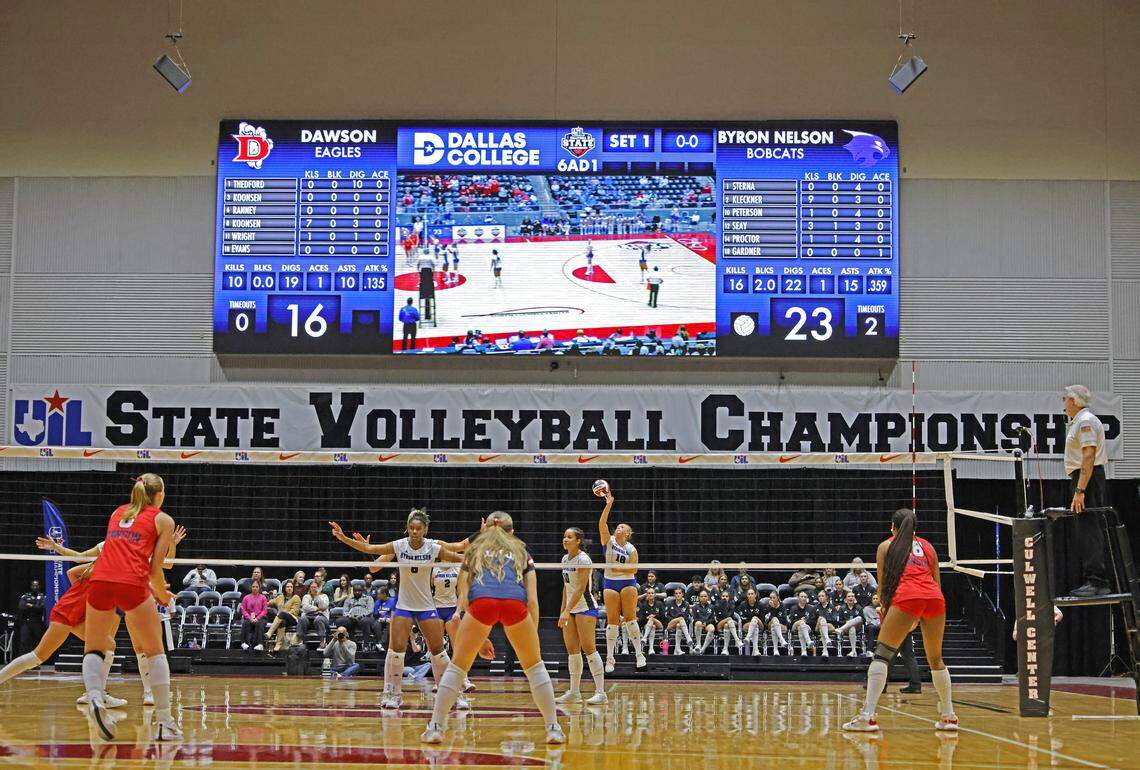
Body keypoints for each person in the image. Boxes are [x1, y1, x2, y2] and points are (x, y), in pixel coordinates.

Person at [421, 511, 564, 745]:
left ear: (485, 529)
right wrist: (531, 632)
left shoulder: (474, 550)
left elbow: (464, 594)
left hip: (481, 604)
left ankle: (436, 727)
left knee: (457, 667)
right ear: (512, 531)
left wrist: (478, 632)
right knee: (535, 666)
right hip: (514, 603)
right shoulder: (522, 552)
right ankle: (553, 729)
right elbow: (533, 600)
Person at [5, 526, 186, 707]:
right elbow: (80, 561)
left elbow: (153, 571)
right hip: (67, 612)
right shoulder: (108, 563)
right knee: (38, 656)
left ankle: (100, 692)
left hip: (90, 609)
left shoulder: (118, 561)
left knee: (108, 644)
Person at [329, 509, 466, 710]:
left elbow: (460, 557)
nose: (415, 531)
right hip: (404, 606)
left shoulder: (433, 547)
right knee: (395, 652)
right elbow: (370, 550)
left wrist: (485, 557)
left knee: (439, 652)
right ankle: (393, 695)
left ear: (425, 529)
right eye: (411, 528)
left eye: (419, 528)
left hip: (427, 606)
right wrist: (342, 538)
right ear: (407, 528)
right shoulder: (399, 546)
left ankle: (451, 695)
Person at [80, 473, 180, 742]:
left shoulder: (117, 512)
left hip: (100, 579)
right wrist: (161, 595)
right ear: (159, 495)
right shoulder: (163, 520)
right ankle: (164, 722)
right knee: (155, 651)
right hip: (132, 582)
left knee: (94, 647)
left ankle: (94, 697)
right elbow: (155, 568)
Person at [844, 508, 957, 733]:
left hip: (907, 598)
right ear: (915, 528)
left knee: (882, 655)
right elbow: (936, 583)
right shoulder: (929, 547)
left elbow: (883, 586)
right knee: (936, 659)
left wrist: (889, 612)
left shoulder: (886, 546)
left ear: (892, 527)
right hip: (934, 598)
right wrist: (920, 614)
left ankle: (868, 716)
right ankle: (948, 716)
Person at [1063, 384, 1110, 597]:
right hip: (1083, 478)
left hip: (1087, 480)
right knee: (1085, 529)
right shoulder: (1079, 421)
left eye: (1065, 399)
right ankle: (1094, 579)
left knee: (1090, 529)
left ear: (1073, 401)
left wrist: (1080, 489)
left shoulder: (1085, 421)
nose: (1063, 403)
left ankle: (1097, 581)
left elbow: (1089, 456)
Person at [597, 485, 647, 671]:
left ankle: (639, 655)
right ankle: (610, 659)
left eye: (622, 527)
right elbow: (602, 525)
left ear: (627, 533)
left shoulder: (631, 549)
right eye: (617, 526)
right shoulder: (608, 541)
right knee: (612, 622)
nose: (619, 527)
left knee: (630, 619)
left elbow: (633, 569)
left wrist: (616, 568)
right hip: (610, 583)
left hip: (627, 583)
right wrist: (608, 504)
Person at [556, 527, 606, 704]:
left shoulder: (584, 559)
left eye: (569, 537)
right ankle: (574, 692)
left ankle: (601, 692)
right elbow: (566, 587)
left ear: (578, 541)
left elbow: (580, 589)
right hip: (570, 609)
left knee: (589, 649)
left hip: (585, 607)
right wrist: (563, 610)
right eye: (564, 537)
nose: (565, 539)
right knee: (572, 651)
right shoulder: (564, 559)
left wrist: (567, 610)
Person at [432, 561, 477, 694]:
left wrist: (458, 612)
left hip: (452, 609)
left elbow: (461, 593)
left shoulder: (457, 569)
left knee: (457, 646)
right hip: (436, 609)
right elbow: (427, 591)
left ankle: (464, 680)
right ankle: (438, 682)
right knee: (436, 648)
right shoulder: (433, 569)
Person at [266, 580, 301, 653]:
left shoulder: (296, 597)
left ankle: (270, 632)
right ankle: (278, 645)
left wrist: (284, 613)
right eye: (288, 587)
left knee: (282, 614)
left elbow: (295, 611)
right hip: (281, 619)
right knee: (282, 622)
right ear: (285, 588)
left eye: (291, 587)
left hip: (292, 619)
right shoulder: (280, 597)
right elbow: (269, 603)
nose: (289, 588)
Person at [16, 580, 45, 656]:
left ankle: (35, 663)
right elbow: (21, 607)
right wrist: (35, 606)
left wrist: (30, 605)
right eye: (33, 585)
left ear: (39, 586)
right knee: (24, 641)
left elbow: (41, 607)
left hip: (37, 622)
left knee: (36, 642)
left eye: (37, 585)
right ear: (31, 586)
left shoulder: (42, 596)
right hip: (26, 622)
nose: (35, 587)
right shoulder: (25, 596)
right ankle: (22, 662)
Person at [664, 587, 694, 654]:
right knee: (680, 619)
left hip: (682, 624)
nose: (678, 595)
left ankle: (677, 649)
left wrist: (678, 620)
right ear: (674, 595)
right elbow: (666, 616)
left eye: (679, 593)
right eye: (676, 593)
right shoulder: (669, 603)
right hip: (670, 624)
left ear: (682, 594)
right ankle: (688, 637)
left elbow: (686, 617)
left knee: (679, 625)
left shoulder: (686, 604)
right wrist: (676, 619)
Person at [239, 581, 268, 651]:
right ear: (251, 587)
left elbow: (265, 610)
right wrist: (250, 618)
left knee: (260, 624)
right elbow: (243, 610)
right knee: (245, 623)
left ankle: (260, 644)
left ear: (259, 588)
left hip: (261, 617)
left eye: (256, 587)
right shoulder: (246, 597)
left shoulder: (263, 597)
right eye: (253, 587)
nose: (255, 588)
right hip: (249, 617)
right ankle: (244, 643)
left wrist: (257, 618)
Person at [737, 588, 767, 656]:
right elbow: (742, 618)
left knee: (755, 619)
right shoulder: (743, 605)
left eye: (752, 594)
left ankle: (748, 637)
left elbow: (762, 619)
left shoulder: (761, 605)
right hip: (747, 625)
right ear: (747, 596)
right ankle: (755, 650)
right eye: (749, 594)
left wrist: (753, 619)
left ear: (755, 595)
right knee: (754, 626)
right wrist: (752, 622)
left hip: (760, 624)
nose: (750, 595)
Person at [714, 588, 743, 654]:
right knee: (729, 619)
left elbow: (729, 615)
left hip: (730, 623)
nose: (725, 597)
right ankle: (737, 640)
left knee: (727, 624)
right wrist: (724, 606)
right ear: (721, 597)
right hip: (719, 624)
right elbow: (720, 617)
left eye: (726, 596)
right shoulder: (717, 605)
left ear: (729, 598)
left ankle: (725, 649)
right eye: (723, 596)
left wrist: (727, 618)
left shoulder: (732, 605)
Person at [835, 592, 865, 656]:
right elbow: (839, 621)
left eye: (852, 596)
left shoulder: (859, 607)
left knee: (859, 618)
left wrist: (852, 622)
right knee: (852, 628)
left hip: (857, 627)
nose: (851, 597)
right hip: (846, 629)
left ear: (854, 598)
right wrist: (846, 622)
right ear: (846, 599)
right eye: (849, 596)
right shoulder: (842, 608)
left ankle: (841, 629)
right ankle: (854, 651)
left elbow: (863, 620)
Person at [786, 592, 816, 656]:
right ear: (798, 598)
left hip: (807, 627)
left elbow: (813, 621)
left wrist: (805, 621)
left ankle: (804, 651)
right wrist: (800, 621)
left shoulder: (811, 608)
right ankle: (808, 642)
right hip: (795, 626)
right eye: (802, 597)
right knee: (801, 623)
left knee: (801, 627)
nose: (803, 598)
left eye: (805, 597)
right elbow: (791, 622)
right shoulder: (793, 608)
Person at [761, 590, 790, 655]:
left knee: (774, 627)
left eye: (774, 598)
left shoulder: (782, 606)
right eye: (770, 598)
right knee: (774, 619)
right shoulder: (768, 606)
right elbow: (766, 621)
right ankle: (781, 639)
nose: (772, 599)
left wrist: (775, 609)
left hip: (780, 626)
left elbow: (785, 620)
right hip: (770, 625)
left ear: (778, 598)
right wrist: (773, 608)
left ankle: (775, 650)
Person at [638, 590, 665, 656]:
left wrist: (654, 616)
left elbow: (663, 616)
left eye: (652, 593)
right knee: (652, 626)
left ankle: (644, 638)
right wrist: (647, 618)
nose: (650, 594)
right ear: (646, 595)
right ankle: (651, 648)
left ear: (655, 595)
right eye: (649, 593)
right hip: (647, 625)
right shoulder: (643, 605)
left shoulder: (659, 604)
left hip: (659, 623)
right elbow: (641, 619)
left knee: (652, 619)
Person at [690, 590, 717, 654]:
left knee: (712, 628)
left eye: (705, 596)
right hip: (698, 625)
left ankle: (703, 649)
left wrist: (706, 623)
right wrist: (702, 623)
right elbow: (694, 618)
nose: (703, 598)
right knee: (698, 623)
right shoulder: (695, 607)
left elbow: (713, 619)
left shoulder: (712, 607)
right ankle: (698, 644)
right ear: (699, 597)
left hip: (707, 624)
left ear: (708, 597)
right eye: (702, 596)